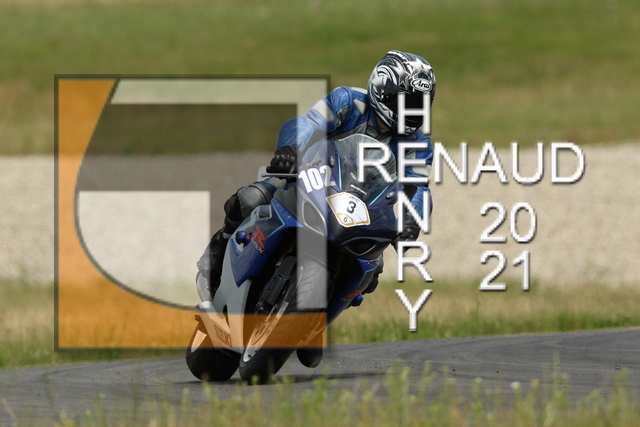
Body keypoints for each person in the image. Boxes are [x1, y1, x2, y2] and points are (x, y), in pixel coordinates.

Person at [196, 50, 436, 364]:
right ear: (382, 90)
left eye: (420, 104)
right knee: (250, 199)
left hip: (363, 210)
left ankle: (314, 321)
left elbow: (418, 189)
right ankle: (216, 256)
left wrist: (411, 219)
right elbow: (307, 124)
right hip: (309, 178)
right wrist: (289, 150)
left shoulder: (419, 145)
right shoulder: (347, 101)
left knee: (372, 270)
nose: (413, 112)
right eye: (407, 102)